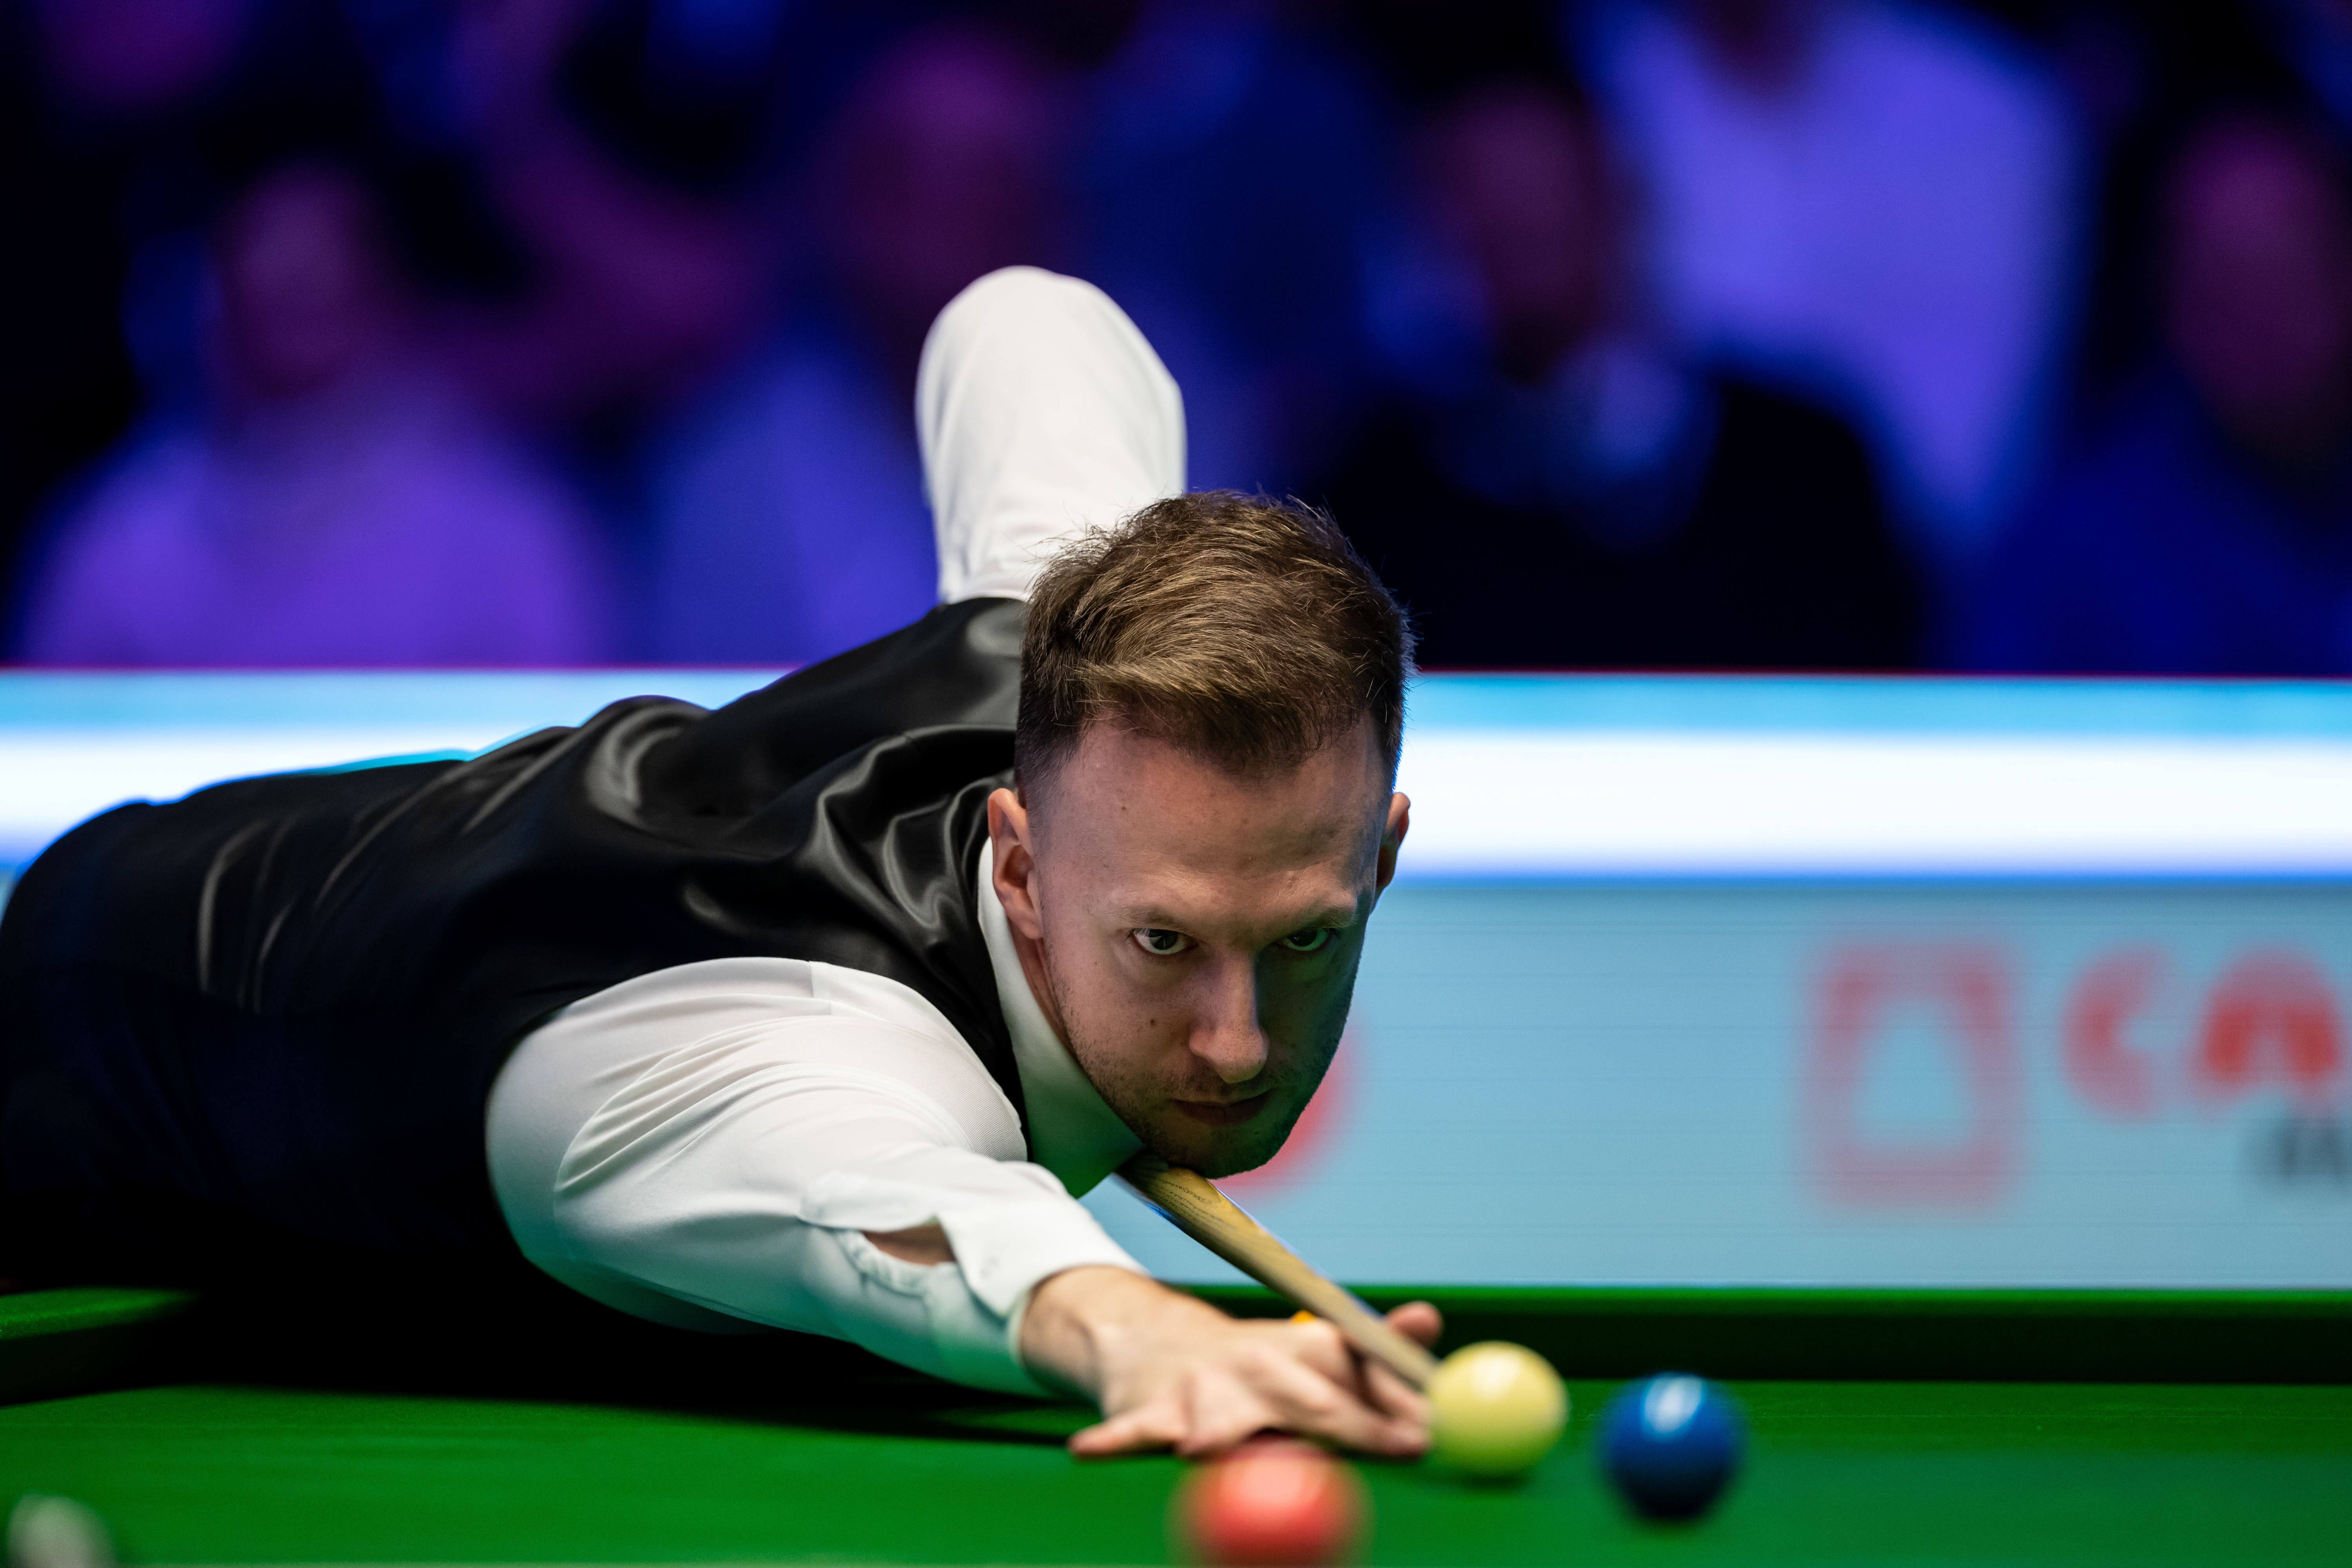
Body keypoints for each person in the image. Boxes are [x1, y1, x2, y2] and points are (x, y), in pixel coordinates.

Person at [0, 266, 1436, 1458]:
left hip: (419, 898)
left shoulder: (1078, 646)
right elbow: (914, 1228)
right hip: (86, 1046)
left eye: (1303, 940)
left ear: (1382, 855)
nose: (1238, 1045)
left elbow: (1027, 320)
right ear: (1017, 864)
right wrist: (1144, 1332)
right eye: (1164, 945)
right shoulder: (813, 1062)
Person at [1325, 80, 1918, 669]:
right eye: (1476, 200)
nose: (1512, 226)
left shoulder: (1803, 465)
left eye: (1541, 194)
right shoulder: (1379, 496)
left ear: (1620, 197)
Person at [10, 162, 616, 667]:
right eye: (268, 276)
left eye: (321, 276)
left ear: (388, 291)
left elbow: (553, 762)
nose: (292, 292)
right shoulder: (126, 529)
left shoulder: (508, 528)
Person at [1575, 0, 2080, 569]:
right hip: (1635, 578)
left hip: (1920, 598)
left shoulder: (1992, 116)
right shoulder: (1592, 90)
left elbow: (1969, 473)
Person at [1962, 114, 2352, 675]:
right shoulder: (2071, 551)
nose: (2265, 317)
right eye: (2226, 282)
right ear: (2167, 293)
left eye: (2294, 268)